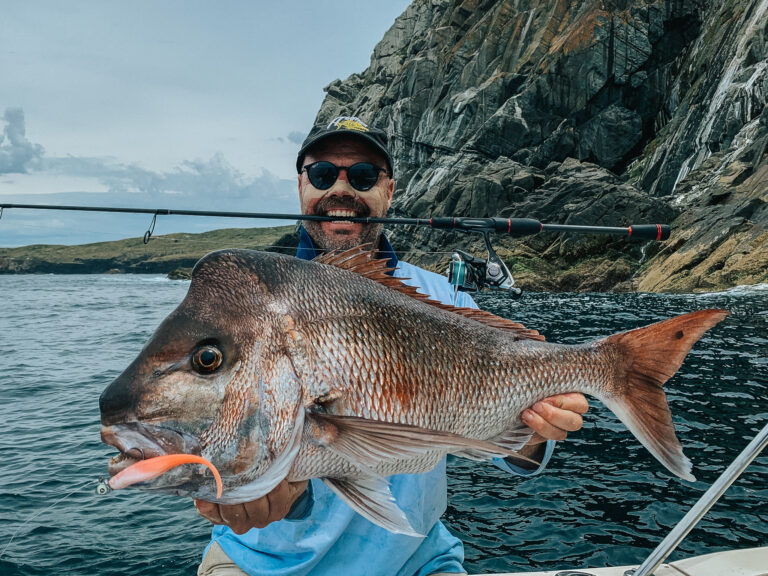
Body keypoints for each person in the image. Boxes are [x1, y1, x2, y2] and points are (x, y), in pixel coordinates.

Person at [195, 116, 589, 576]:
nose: (341, 188)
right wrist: (252, 486)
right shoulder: (246, 303)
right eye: (323, 174)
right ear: (301, 185)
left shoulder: (445, 299)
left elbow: (514, 452)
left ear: (390, 190)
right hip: (259, 563)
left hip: (418, 561)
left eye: (363, 176)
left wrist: (537, 431)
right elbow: (204, 426)